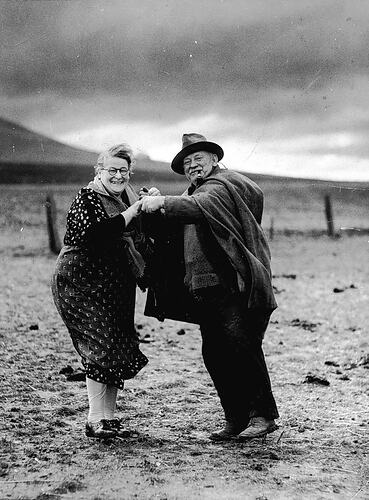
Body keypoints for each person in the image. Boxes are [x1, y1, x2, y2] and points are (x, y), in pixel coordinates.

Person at [141, 133, 279, 441]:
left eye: (197, 159)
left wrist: (162, 202)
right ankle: (236, 419)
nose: (192, 166)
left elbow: (196, 207)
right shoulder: (198, 192)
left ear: (214, 160)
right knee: (215, 353)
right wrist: (154, 205)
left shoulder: (220, 186)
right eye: (186, 163)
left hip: (231, 284)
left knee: (241, 346)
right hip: (204, 288)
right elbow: (177, 223)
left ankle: (263, 416)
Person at [52, 144, 151, 439]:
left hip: (114, 283)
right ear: (99, 171)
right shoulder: (88, 197)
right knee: (100, 344)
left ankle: (108, 419)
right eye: (112, 170)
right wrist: (134, 211)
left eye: (123, 171)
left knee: (116, 344)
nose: (118, 176)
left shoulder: (128, 198)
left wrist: (148, 203)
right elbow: (95, 234)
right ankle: (95, 420)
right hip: (81, 283)